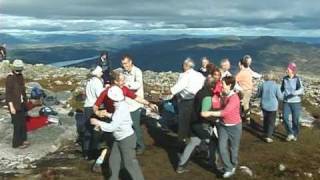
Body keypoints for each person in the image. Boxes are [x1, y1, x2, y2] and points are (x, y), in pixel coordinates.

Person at [93, 70, 158, 154]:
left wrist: (149, 103)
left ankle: (129, 150)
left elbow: (135, 97)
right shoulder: (106, 92)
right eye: (122, 80)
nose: (124, 82)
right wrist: (97, 112)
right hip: (111, 116)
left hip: (121, 116)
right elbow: (95, 105)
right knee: (112, 136)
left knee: (125, 133)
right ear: (115, 81)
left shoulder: (124, 89)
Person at [90, 86, 145, 180]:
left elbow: (112, 127)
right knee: (114, 160)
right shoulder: (121, 104)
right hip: (119, 139)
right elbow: (117, 118)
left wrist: (98, 122)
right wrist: (107, 114)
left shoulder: (120, 109)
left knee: (130, 164)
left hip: (126, 139)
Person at [201, 76, 242, 179]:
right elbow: (219, 106)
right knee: (221, 147)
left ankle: (233, 165)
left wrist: (209, 113)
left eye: (222, 84)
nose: (221, 86)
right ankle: (228, 168)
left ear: (229, 85)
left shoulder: (234, 98)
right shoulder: (224, 95)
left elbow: (225, 112)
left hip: (235, 127)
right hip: (223, 126)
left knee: (233, 149)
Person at [176, 77, 218, 173]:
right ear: (213, 86)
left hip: (193, 122)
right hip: (202, 124)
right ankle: (212, 164)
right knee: (213, 142)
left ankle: (181, 166)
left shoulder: (200, 92)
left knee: (193, 143)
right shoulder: (207, 96)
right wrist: (215, 119)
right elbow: (204, 113)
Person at [117, 54, 147, 154]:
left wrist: (126, 85)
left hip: (135, 103)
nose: (124, 65)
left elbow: (138, 84)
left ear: (130, 62)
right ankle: (131, 143)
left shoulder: (137, 71)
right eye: (122, 64)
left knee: (135, 125)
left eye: (125, 63)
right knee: (128, 125)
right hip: (127, 103)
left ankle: (140, 145)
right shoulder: (124, 71)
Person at [169, 58, 205, 142]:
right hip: (198, 101)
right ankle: (197, 139)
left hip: (186, 102)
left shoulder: (185, 76)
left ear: (185, 66)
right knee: (195, 121)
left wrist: (168, 92)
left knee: (184, 122)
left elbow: (175, 89)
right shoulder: (199, 75)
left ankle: (183, 140)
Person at [5, 59, 29, 149]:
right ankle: (16, 143)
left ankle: (23, 139)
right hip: (14, 105)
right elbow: (8, 94)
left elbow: (23, 90)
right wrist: (11, 107)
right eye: (18, 69)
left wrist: (26, 100)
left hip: (22, 103)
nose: (19, 71)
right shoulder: (10, 78)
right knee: (17, 124)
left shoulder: (20, 76)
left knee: (23, 123)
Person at [82, 66, 105, 159]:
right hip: (94, 108)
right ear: (97, 72)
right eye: (100, 72)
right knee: (96, 131)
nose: (102, 73)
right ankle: (93, 152)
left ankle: (86, 152)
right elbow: (100, 96)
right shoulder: (97, 82)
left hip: (87, 106)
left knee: (88, 130)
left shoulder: (89, 80)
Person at [280, 62, 304, 141]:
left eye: (288, 69)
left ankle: (295, 134)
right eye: (287, 68)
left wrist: (295, 93)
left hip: (296, 102)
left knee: (295, 120)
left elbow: (301, 90)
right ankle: (290, 133)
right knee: (285, 118)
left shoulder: (297, 79)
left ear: (292, 70)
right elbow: (282, 89)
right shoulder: (285, 79)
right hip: (286, 101)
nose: (287, 70)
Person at [257, 72, 283, 143]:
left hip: (264, 105)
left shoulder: (262, 85)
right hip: (272, 106)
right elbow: (280, 97)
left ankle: (265, 133)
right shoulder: (276, 86)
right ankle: (268, 136)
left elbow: (258, 94)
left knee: (265, 119)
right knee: (271, 122)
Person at [236, 58, 253, 123]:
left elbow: (234, 80)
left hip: (244, 90)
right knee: (246, 104)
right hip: (249, 90)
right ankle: (247, 118)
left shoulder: (241, 73)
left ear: (241, 64)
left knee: (240, 104)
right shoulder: (248, 71)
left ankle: (240, 118)